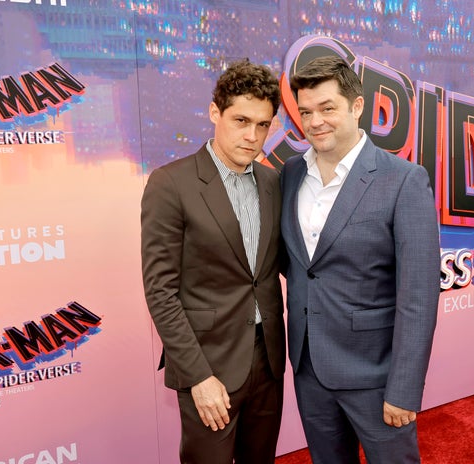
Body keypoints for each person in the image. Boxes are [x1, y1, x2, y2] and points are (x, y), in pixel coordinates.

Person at [280, 55, 441, 464]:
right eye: (306, 112)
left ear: (356, 106)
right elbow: (300, 266)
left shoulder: (403, 179)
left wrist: (404, 388)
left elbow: (418, 297)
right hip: (309, 367)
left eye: (327, 108)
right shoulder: (291, 175)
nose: (315, 122)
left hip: (375, 374)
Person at [141, 59, 285, 464]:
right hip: (208, 362)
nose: (252, 136)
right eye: (240, 120)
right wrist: (198, 377)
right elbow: (160, 291)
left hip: (268, 359)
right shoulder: (171, 184)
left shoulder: (273, 182)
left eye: (263, 124)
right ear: (214, 113)